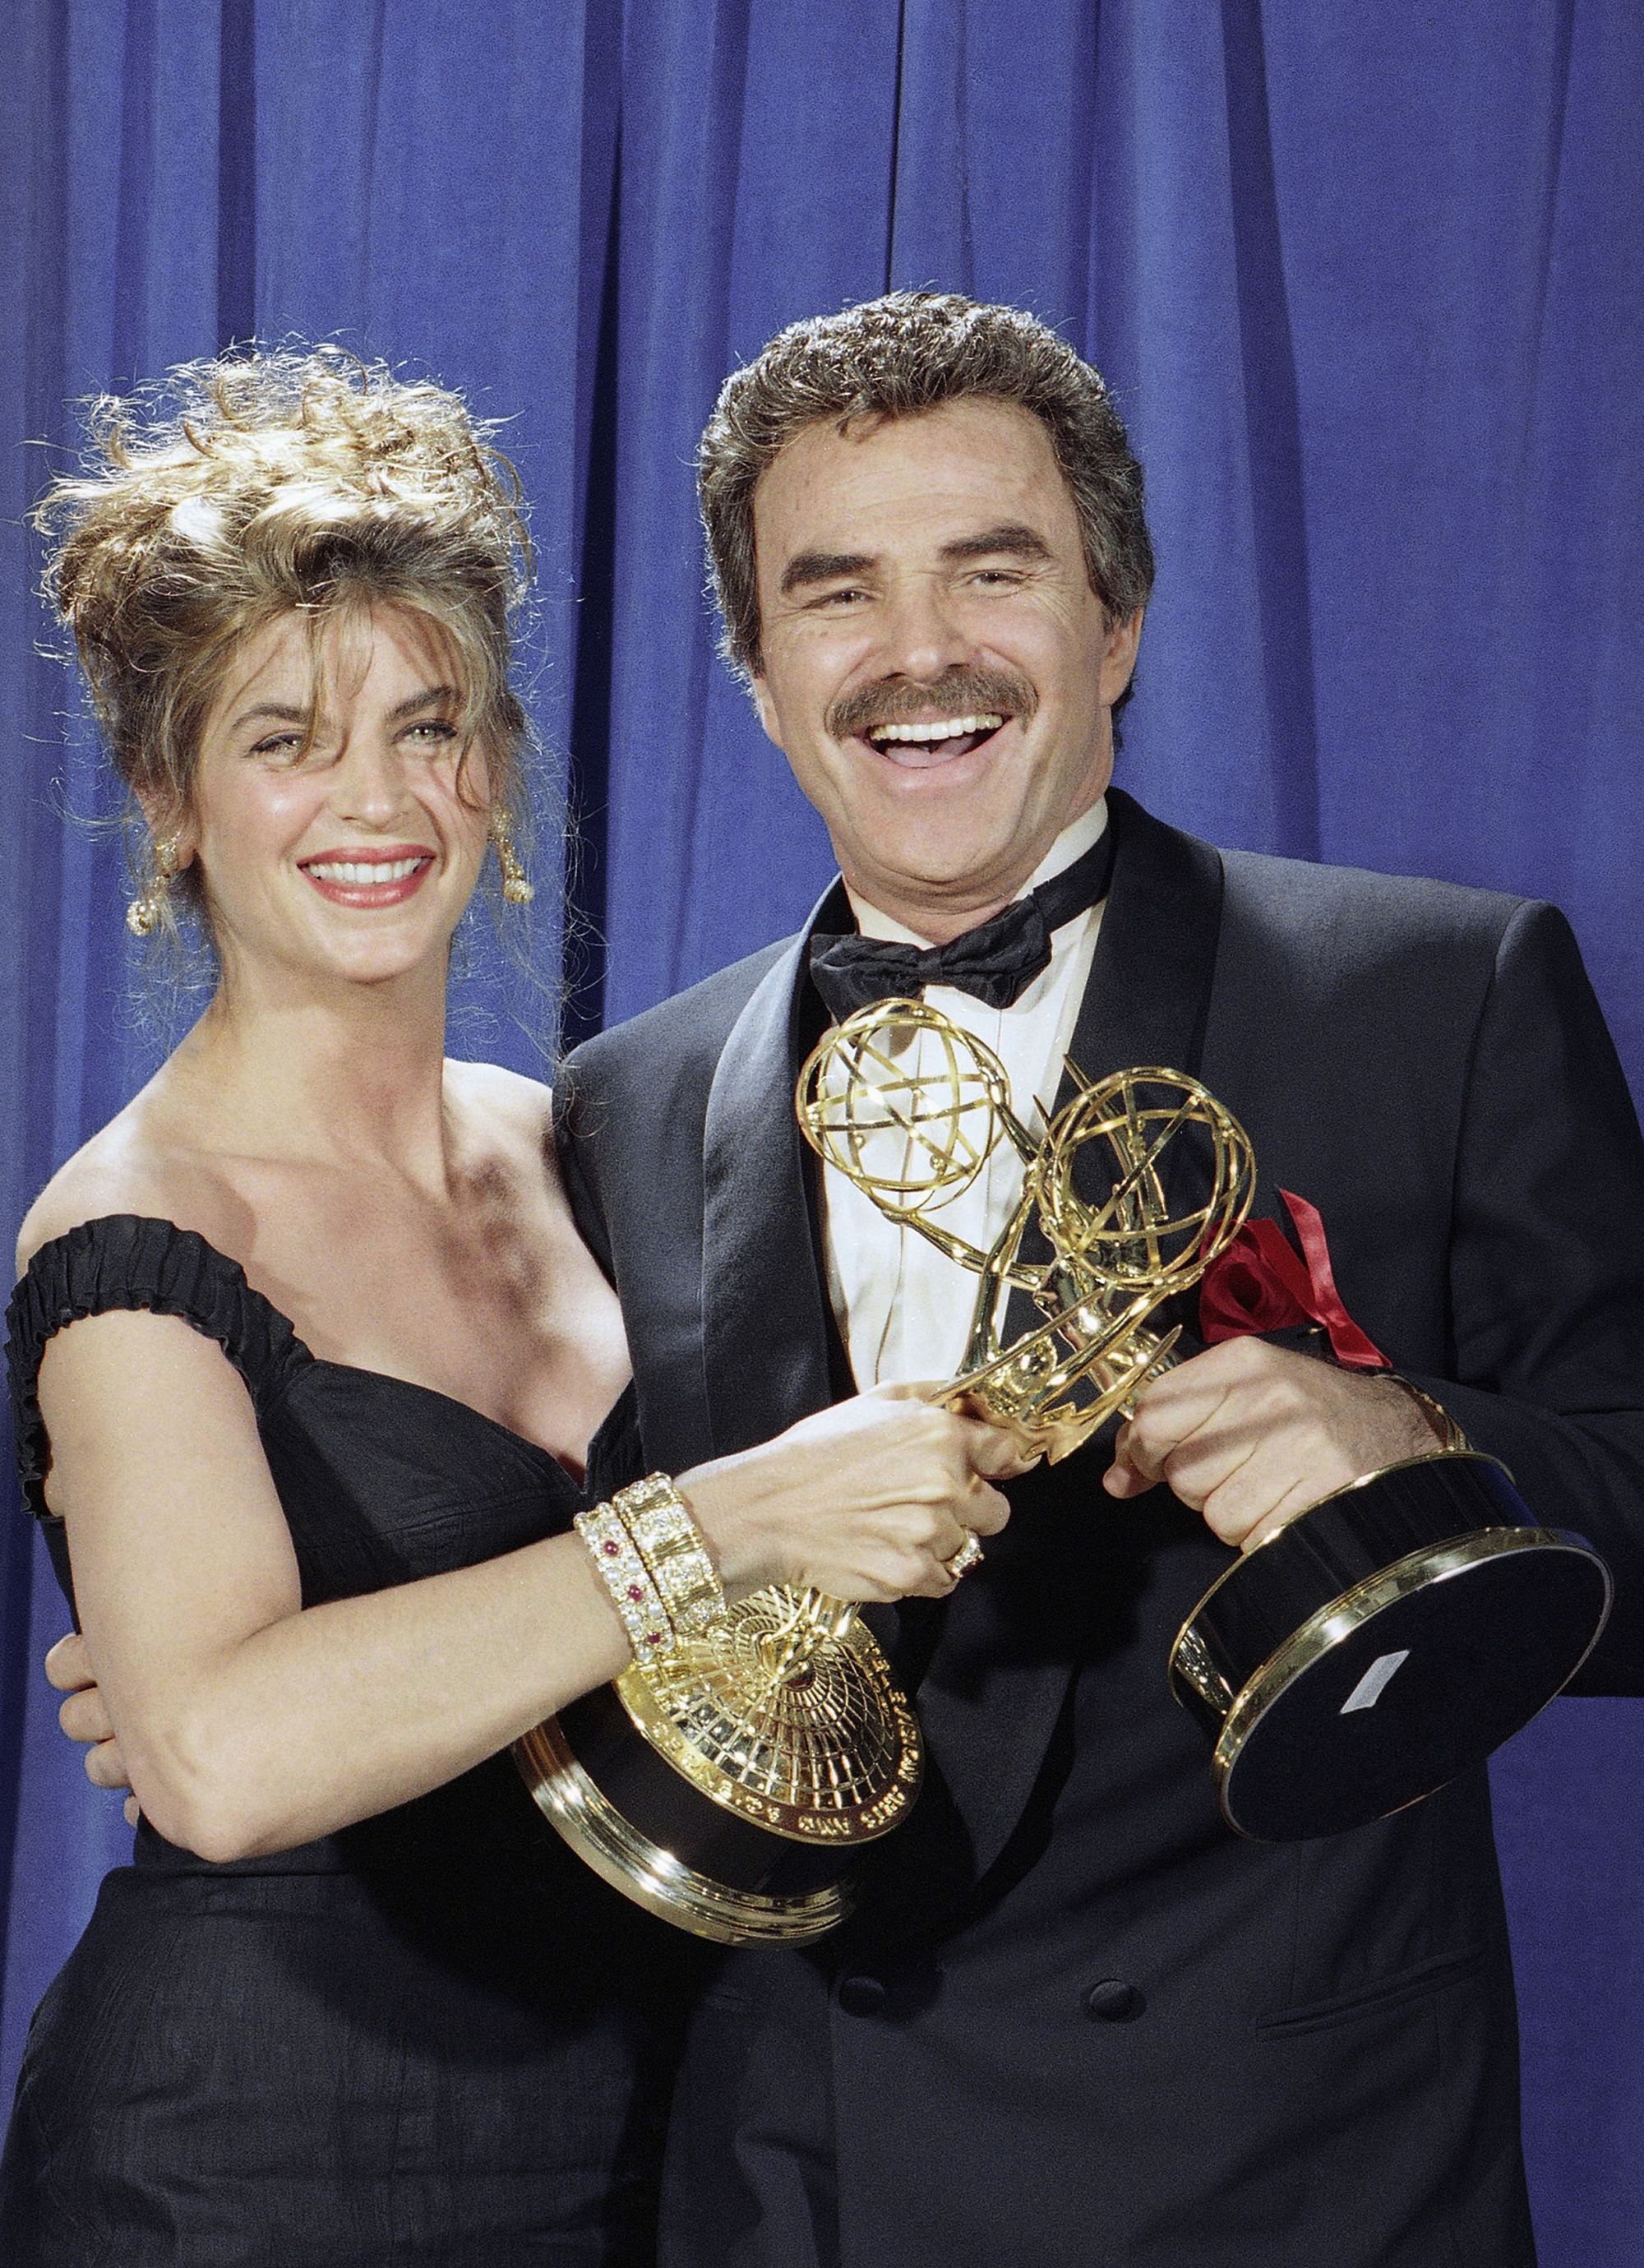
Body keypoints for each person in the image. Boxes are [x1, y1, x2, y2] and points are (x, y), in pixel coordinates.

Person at [543, 294, 1644, 2267]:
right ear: (758, 671)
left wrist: (1405, 1439)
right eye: (836, 591)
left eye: (994, 567)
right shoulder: (621, 1104)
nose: (917, 652)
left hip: (1287, 2184)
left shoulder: (1435, 996)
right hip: (799, 2188)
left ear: (1113, 623)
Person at [2, 344, 1014, 2267]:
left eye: (429, 723)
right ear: (171, 801)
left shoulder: (587, 1140)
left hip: (648, 2114)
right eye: (285, 737)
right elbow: (217, 1760)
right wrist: (708, 1527)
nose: (375, 798)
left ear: (500, 766)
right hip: (248, 2160)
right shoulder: (137, 1225)